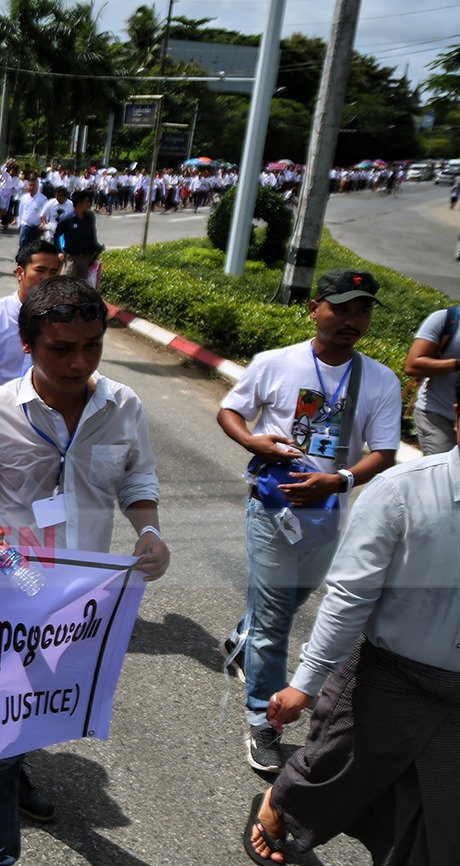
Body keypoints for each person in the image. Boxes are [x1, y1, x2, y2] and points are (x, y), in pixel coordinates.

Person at [0, 275, 170, 866]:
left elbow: (137, 479)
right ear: (27, 344)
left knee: (45, 705)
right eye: (61, 349)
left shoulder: (124, 406)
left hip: (84, 594)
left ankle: (17, 768)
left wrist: (149, 531)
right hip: (12, 585)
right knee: (0, 725)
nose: (79, 362)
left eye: (92, 346)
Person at [244, 379, 460, 866]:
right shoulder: (401, 493)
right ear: (458, 414)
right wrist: (306, 682)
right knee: (331, 772)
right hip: (390, 679)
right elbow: (350, 596)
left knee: (439, 820)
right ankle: (278, 808)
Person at [217, 269, 401, 773]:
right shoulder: (276, 363)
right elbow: (231, 410)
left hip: (325, 511)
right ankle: (262, 722)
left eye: (361, 310)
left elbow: (383, 451)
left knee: (294, 598)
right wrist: (252, 440)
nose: (351, 320)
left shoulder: (380, 380)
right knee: (275, 622)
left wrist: (337, 480)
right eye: (340, 308)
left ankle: (241, 638)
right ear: (314, 308)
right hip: (272, 506)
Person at [0, 240, 62, 402]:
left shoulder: (64, 319)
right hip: (0, 406)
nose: (47, 278)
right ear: (20, 273)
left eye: (53, 272)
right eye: (40, 270)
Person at [403, 304, 460, 455]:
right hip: (436, 414)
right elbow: (412, 365)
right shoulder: (446, 319)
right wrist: (457, 364)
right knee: (444, 474)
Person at [54, 190, 101, 279]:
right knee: (70, 283)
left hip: (86, 258)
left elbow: (92, 234)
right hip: (72, 258)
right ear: (79, 204)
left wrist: (96, 248)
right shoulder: (66, 220)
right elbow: (57, 235)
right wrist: (59, 251)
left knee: (83, 285)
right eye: (86, 202)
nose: (88, 204)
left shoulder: (89, 217)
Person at [16, 176, 49, 251]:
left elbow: (46, 213)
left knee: (34, 248)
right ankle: (21, 261)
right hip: (25, 225)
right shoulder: (24, 198)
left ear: (37, 187)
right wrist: (19, 223)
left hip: (37, 227)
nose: (31, 187)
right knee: (23, 245)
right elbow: (20, 211)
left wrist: (44, 224)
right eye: (30, 185)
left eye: (33, 185)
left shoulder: (43, 199)